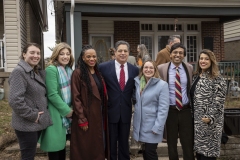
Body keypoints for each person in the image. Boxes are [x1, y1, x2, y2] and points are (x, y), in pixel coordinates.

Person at [8, 43, 52, 160]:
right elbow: (15, 100)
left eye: (38, 53)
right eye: (32, 53)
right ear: (24, 54)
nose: (36, 56)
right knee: (28, 156)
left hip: (33, 124)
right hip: (26, 123)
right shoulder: (19, 71)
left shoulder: (33, 71)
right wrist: (33, 116)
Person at [99, 40, 139, 160]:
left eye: (125, 51)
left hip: (126, 111)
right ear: (115, 52)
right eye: (120, 51)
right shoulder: (103, 67)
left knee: (124, 142)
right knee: (111, 142)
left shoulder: (135, 70)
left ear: (129, 53)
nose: (123, 53)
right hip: (110, 111)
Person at [70, 45, 110, 160]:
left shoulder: (98, 73)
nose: (92, 59)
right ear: (82, 58)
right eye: (88, 56)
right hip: (86, 116)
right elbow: (76, 97)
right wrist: (82, 119)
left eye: (94, 56)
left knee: (97, 145)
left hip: (99, 115)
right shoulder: (78, 73)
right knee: (85, 148)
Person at [157, 43, 194, 160]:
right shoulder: (161, 68)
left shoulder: (189, 68)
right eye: (175, 52)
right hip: (170, 111)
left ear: (184, 55)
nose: (178, 55)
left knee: (187, 142)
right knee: (171, 143)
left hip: (186, 110)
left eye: (181, 53)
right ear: (171, 54)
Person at [39, 42, 74, 160]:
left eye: (67, 54)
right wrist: (67, 111)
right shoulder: (52, 70)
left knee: (62, 148)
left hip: (68, 113)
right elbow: (52, 94)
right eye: (62, 54)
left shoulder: (69, 70)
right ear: (56, 56)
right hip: (56, 113)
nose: (65, 56)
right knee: (55, 149)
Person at [190, 49, 227, 160]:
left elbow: (219, 102)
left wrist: (210, 118)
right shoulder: (196, 76)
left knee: (208, 155)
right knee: (200, 155)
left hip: (210, 125)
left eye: (206, 59)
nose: (203, 61)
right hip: (197, 123)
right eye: (201, 58)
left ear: (212, 61)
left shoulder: (217, 79)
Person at [133, 60, 169, 160]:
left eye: (151, 68)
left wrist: (158, 126)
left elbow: (163, 108)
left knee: (150, 152)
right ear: (142, 69)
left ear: (155, 70)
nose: (148, 70)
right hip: (140, 125)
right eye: (146, 67)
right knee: (145, 152)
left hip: (152, 125)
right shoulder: (138, 82)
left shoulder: (162, 85)